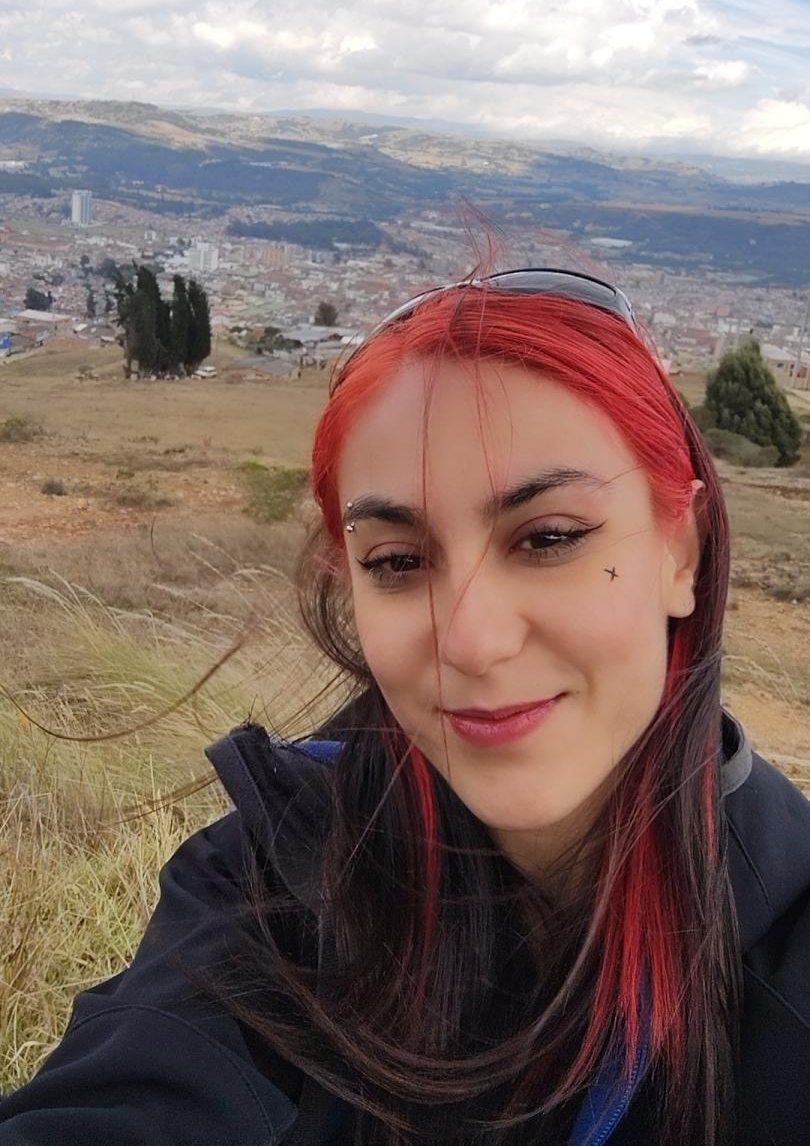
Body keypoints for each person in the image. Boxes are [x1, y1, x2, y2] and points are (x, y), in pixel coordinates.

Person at [2, 267, 809, 1146]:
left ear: (681, 553)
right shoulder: (270, 881)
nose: (471, 641)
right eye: (397, 562)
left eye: (548, 538)